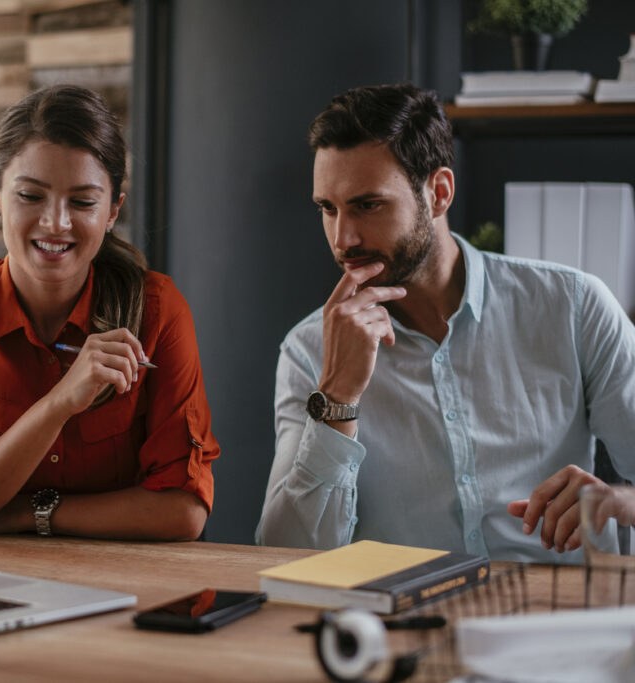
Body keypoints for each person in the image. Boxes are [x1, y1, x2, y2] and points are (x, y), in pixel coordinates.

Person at [256, 83, 635, 562]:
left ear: (438, 192)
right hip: (404, 623)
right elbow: (283, 552)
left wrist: (620, 501)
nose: (343, 238)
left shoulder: (573, 308)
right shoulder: (309, 351)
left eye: (367, 205)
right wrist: (337, 400)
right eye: (328, 209)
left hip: (553, 619)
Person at [0, 84, 219, 541]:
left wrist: (24, 516)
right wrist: (59, 404)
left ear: (114, 209)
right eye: (31, 196)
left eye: (83, 202)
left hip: (130, 583)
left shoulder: (157, 309)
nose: (56, 223)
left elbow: (183, 510)